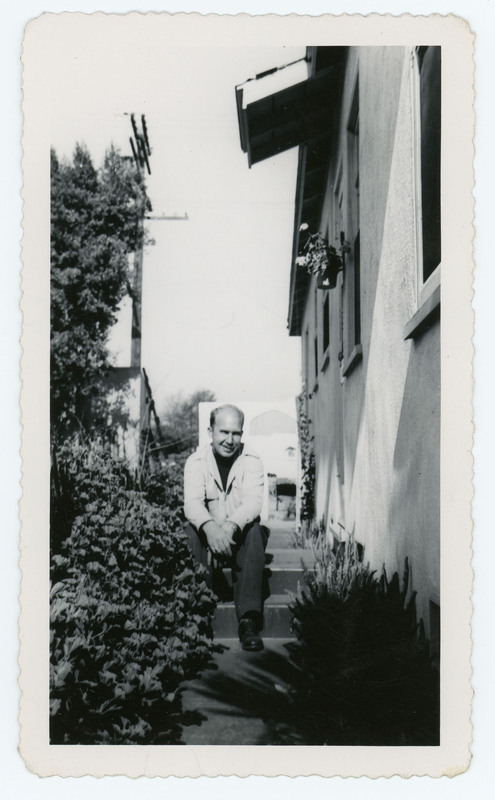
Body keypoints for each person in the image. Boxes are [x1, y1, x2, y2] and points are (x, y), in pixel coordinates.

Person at [184, 404, 266, 651]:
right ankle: (199, 613)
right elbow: (192, 504)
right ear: (211, 431)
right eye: (223, 432)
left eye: (236, 433)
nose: (230, 440)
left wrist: (230, 526)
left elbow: (253, 503)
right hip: (209, 535)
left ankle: (248, 619)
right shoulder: (196, 461)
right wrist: (210, 528)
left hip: (238, 534)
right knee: (191, 530)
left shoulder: (251, 460)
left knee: (254, 531)